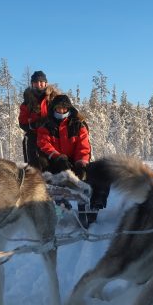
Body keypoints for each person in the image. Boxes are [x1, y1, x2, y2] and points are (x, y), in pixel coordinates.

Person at [36, 94, 109, 224]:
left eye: (64, 108)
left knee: (100, 173)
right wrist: (57, 157)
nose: (62, 111)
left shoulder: (78, 124)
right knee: (47, 179)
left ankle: (94, 205)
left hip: (75, 162)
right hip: (55, 163)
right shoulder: (46, 125)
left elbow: (83, 145)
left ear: (69, 108)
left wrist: (81, 162)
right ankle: (59, 206)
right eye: (59, 108)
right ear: (54, 108)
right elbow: (43, 143)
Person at [19, 70, 59, 168]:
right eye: (36, 82)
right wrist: (34, 124)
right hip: (34, 134)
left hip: (52, 134)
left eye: (41, 82)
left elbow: (64, 111)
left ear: (46, 83)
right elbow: (22, 122)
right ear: (32, 84)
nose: (39, 84)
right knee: (33, 162)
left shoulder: (54, 98)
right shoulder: (27, 102)